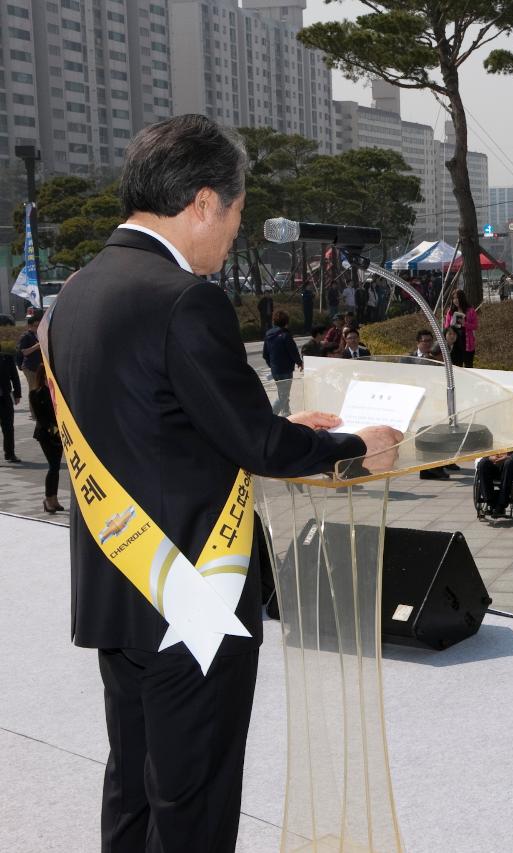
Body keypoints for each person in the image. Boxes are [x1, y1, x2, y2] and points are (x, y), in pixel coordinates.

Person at [42, 115, 402, 853]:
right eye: (236, 216)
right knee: (195, 803)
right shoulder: (184, 297)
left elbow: (158, 424)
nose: (233, 235)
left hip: (122, 584)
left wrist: (278, 423)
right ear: (204, 201)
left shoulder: (79, 292)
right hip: (193, 596)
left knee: (136, 789)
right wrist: (351, 446)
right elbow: (256, 443)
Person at [475, 414, 513, 519]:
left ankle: (502, 503)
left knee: (509, 463)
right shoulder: (495, 419)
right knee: (483, 464)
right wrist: (490, 455)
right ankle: (491, 502)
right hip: (496, 458)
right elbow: (485, 443)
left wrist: (508, 456)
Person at [28, 364, 63, 513]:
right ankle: (48, 499)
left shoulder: (57, 391)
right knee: (53, 466)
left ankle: (54, 498)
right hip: (45, 434)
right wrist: (55, 432)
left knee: (56, 468)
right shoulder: (36, 393)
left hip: (59, 435)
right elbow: (41, 419)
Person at [263, 310, 304, 415]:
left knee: (282, 393)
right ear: (287, 322)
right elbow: (293, 352)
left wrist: (272, 365)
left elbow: (265, 354)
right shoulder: (286, 335)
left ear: (274, 322)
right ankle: (272, 415)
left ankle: (286, 413)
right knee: (284, 395)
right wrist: (299, 362)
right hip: (286, 370)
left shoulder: (268, 335)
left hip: (275, 370)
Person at [445, 289, 478, 368]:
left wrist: (464, 324)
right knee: (456, 366)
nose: (455, 300)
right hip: (455, 342)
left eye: (457, 298)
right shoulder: (450, 311)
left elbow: (475, 326)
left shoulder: (470, 311)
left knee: (468, 366)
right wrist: (451, 326)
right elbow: (446, 327)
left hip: (467, 342)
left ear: (462, 298)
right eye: (454, 298)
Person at [0, 344, 19, 462]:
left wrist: (17, 394)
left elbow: (15, 377)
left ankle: (10, 454)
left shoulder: (7, 358)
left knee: (8, 428)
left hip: (5, 398)